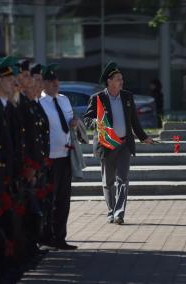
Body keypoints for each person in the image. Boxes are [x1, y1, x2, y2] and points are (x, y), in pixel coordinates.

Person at [83, 62, 154, 225]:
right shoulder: (98, 98)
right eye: (117, 79)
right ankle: (111, 211)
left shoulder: (127, 96)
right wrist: (96, 122)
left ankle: (119, 213)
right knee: (108, 181)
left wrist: (144, 137)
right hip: (107, 145)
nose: (121, 82)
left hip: (123, 144)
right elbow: (86, 120)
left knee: (123, 179)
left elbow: (134, 121)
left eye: (122, 79)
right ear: (109, 81)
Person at [39, 64, 77, 250]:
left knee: (63, 199)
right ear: (44, 83)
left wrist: (74, 123)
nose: (55, 83)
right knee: (49, 199)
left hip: (65, 155)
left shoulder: (64, 99)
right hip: (50, 157)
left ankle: (60, 237)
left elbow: (69, 121)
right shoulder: (40, 102)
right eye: (51, 80)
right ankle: (46, 236)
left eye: (57, 80)